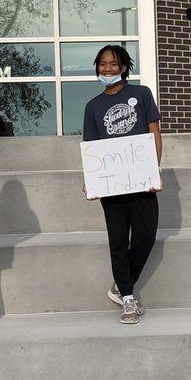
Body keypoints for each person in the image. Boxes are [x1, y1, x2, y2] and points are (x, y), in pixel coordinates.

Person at [82, 45, 163, 324]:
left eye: (113, 64)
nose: (107, 69)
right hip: (112, 185)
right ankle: (128, 299)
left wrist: (155, 171)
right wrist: (90, 180)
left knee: (146, 236)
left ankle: (120, 284)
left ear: (124, 67)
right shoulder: (93, 106)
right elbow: (91, 147)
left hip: (141, 182)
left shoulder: (141, 95)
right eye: (102, 64)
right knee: (117, 240)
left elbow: (154, 134)